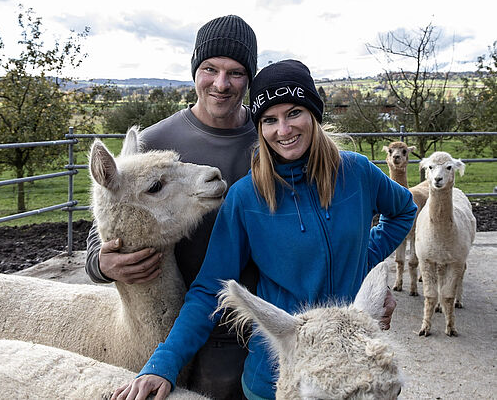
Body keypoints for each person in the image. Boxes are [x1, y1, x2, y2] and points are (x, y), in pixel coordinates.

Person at [111, 59, 417, 400]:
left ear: (314, 113)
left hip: (351, 370)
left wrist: (364, 258)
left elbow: (404, 210)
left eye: (294, 113)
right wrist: (163, 364)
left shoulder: (357, 172)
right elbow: (210, 289)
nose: (283, 130)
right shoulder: (246, 197)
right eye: (269, 120)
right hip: (275, 378)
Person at [85, 15, 259, 399]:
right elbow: (108, 222)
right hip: (182, 323)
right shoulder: (153, 144)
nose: (221, 84)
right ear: (195, 71)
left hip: (250, 320)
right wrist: (101, 263)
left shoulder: (270, 141)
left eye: (236, 72)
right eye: (210, 69)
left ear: (249, 78)